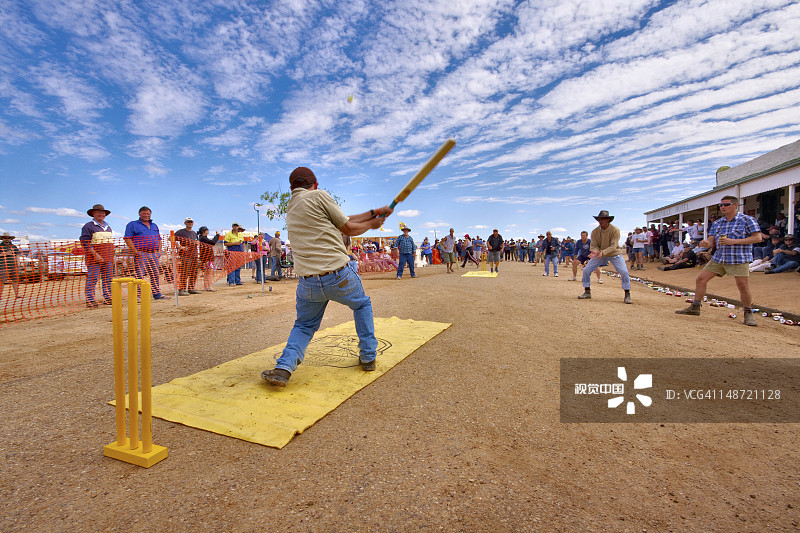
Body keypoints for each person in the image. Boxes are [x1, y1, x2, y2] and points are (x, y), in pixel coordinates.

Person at [261, 167, 392, 387]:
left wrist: (373, 212)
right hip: (338, 275)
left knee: (304, 325)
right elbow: (348, 227)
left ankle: (283, 368)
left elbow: (341, 218)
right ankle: (368, 356)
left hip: (308, 283)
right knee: (361, 305)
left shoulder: (292, 205)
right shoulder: (319, 196)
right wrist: (373, 224)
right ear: (316, 184)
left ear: (292, 187)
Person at [676, 196, 761, 326]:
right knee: (701, 279)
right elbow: (711, 240)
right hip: (719, 257)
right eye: (721, 205)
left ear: (735, 205)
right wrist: (705, 243)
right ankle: (695, 307)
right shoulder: (718, 223)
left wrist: (734, 241)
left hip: (738, 257)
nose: (722, 207)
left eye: (726, 204)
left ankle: (748, 312)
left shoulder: (747, 220)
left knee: (742, 285)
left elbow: (757, 238)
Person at [577, 210, 632, 304]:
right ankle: (587, 292)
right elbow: (594, 244)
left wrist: (602, 252)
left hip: (614, 254)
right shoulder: (595, 231)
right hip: (599, 254)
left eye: (603, 219)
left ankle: (627, 294)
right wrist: (595, 251)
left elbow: (613, 245)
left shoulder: (615, 230)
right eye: (599, 219)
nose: (600, 221)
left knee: (624, 271)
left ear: (608, 220)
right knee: (586, 270)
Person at [124, 206, 167, 300]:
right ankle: (137, 296)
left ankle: (157, 294)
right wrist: (135, 251)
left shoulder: (154, 225)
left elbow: (159, 239)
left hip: (154, 254)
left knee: (155, 274)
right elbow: (127, 239)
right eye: (144, 213)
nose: (146, 215)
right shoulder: (132, 224)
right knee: (139, 275)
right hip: (141, 254)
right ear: (139, 214)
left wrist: (159, 251)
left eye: (148, 214)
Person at [80, 204, 114, 307]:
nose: (101, 214)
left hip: (108, 258)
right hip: (94, 259)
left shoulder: (108, 228)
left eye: (103, 213)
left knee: (107, 279)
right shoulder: (88, 226)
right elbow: (85, 243)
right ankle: (90, 300)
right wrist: (95, 255)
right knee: (92, 278)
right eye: (98, 212)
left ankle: (108, 298)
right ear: (93, 213)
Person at [175, 217, 202, 295]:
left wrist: (197, 243)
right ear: (185, 223)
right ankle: (182, 289)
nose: (190, 223)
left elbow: (197, 241)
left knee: (194, 272)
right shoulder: (181, 232)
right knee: (185, 272)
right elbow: (171, 238)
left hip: (194, 255)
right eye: (188, 222)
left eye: (191, 222)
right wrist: (180, 247)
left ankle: (191, 288)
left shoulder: (194, 233)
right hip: (185, 255)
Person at [0, 232, 21, 300]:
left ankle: (17, 295)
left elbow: (17, 256)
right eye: (5, 238)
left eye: (8, 238)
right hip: (3, 267)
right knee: (1, 281)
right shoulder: (0, 246)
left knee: (15, 280)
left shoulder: (14, 246)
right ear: (2, 239)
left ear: (10, 239)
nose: (6, 239)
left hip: (14, 266)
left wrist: (18, 265)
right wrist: (4, 254)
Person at [198, 226, 220, 291]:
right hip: (207, 258)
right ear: (204, 231)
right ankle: (209, 286)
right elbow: (213, 242)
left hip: (206, 258)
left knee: (207, 272)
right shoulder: (203, 238)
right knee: (209, 272)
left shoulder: (202, 238)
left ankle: (206, 286)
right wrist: (217, 235)